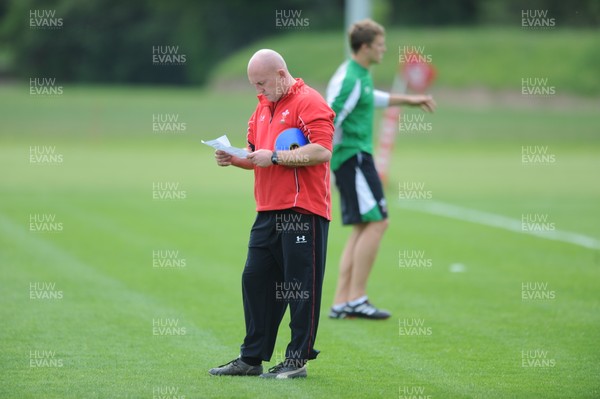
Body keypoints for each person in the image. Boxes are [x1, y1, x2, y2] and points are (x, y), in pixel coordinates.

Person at [209, 49, 334, 379]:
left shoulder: (310, 102)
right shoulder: (262, 108)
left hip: (302, 210)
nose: (258, 90)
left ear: (281, 75)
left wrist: (276, 157)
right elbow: (256, 156)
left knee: (299, 288)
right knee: (255, 281)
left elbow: (321, 150)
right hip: (267, 211)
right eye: (254, 85)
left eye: (261, 83)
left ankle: (297, 360)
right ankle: (251, 358)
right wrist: (234, 158)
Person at [326, 19, 436, 320]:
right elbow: (329, 118)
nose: (384, 49)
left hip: (353, 159)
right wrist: (321, 160)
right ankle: (357, 299)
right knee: (378, 222)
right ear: (364, 47)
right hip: (353, 159)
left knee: (363, 226)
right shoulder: (351, 78)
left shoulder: (359, 73)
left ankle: (341, 301)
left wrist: (407, 100)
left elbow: (367, 98)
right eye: (379, 45)